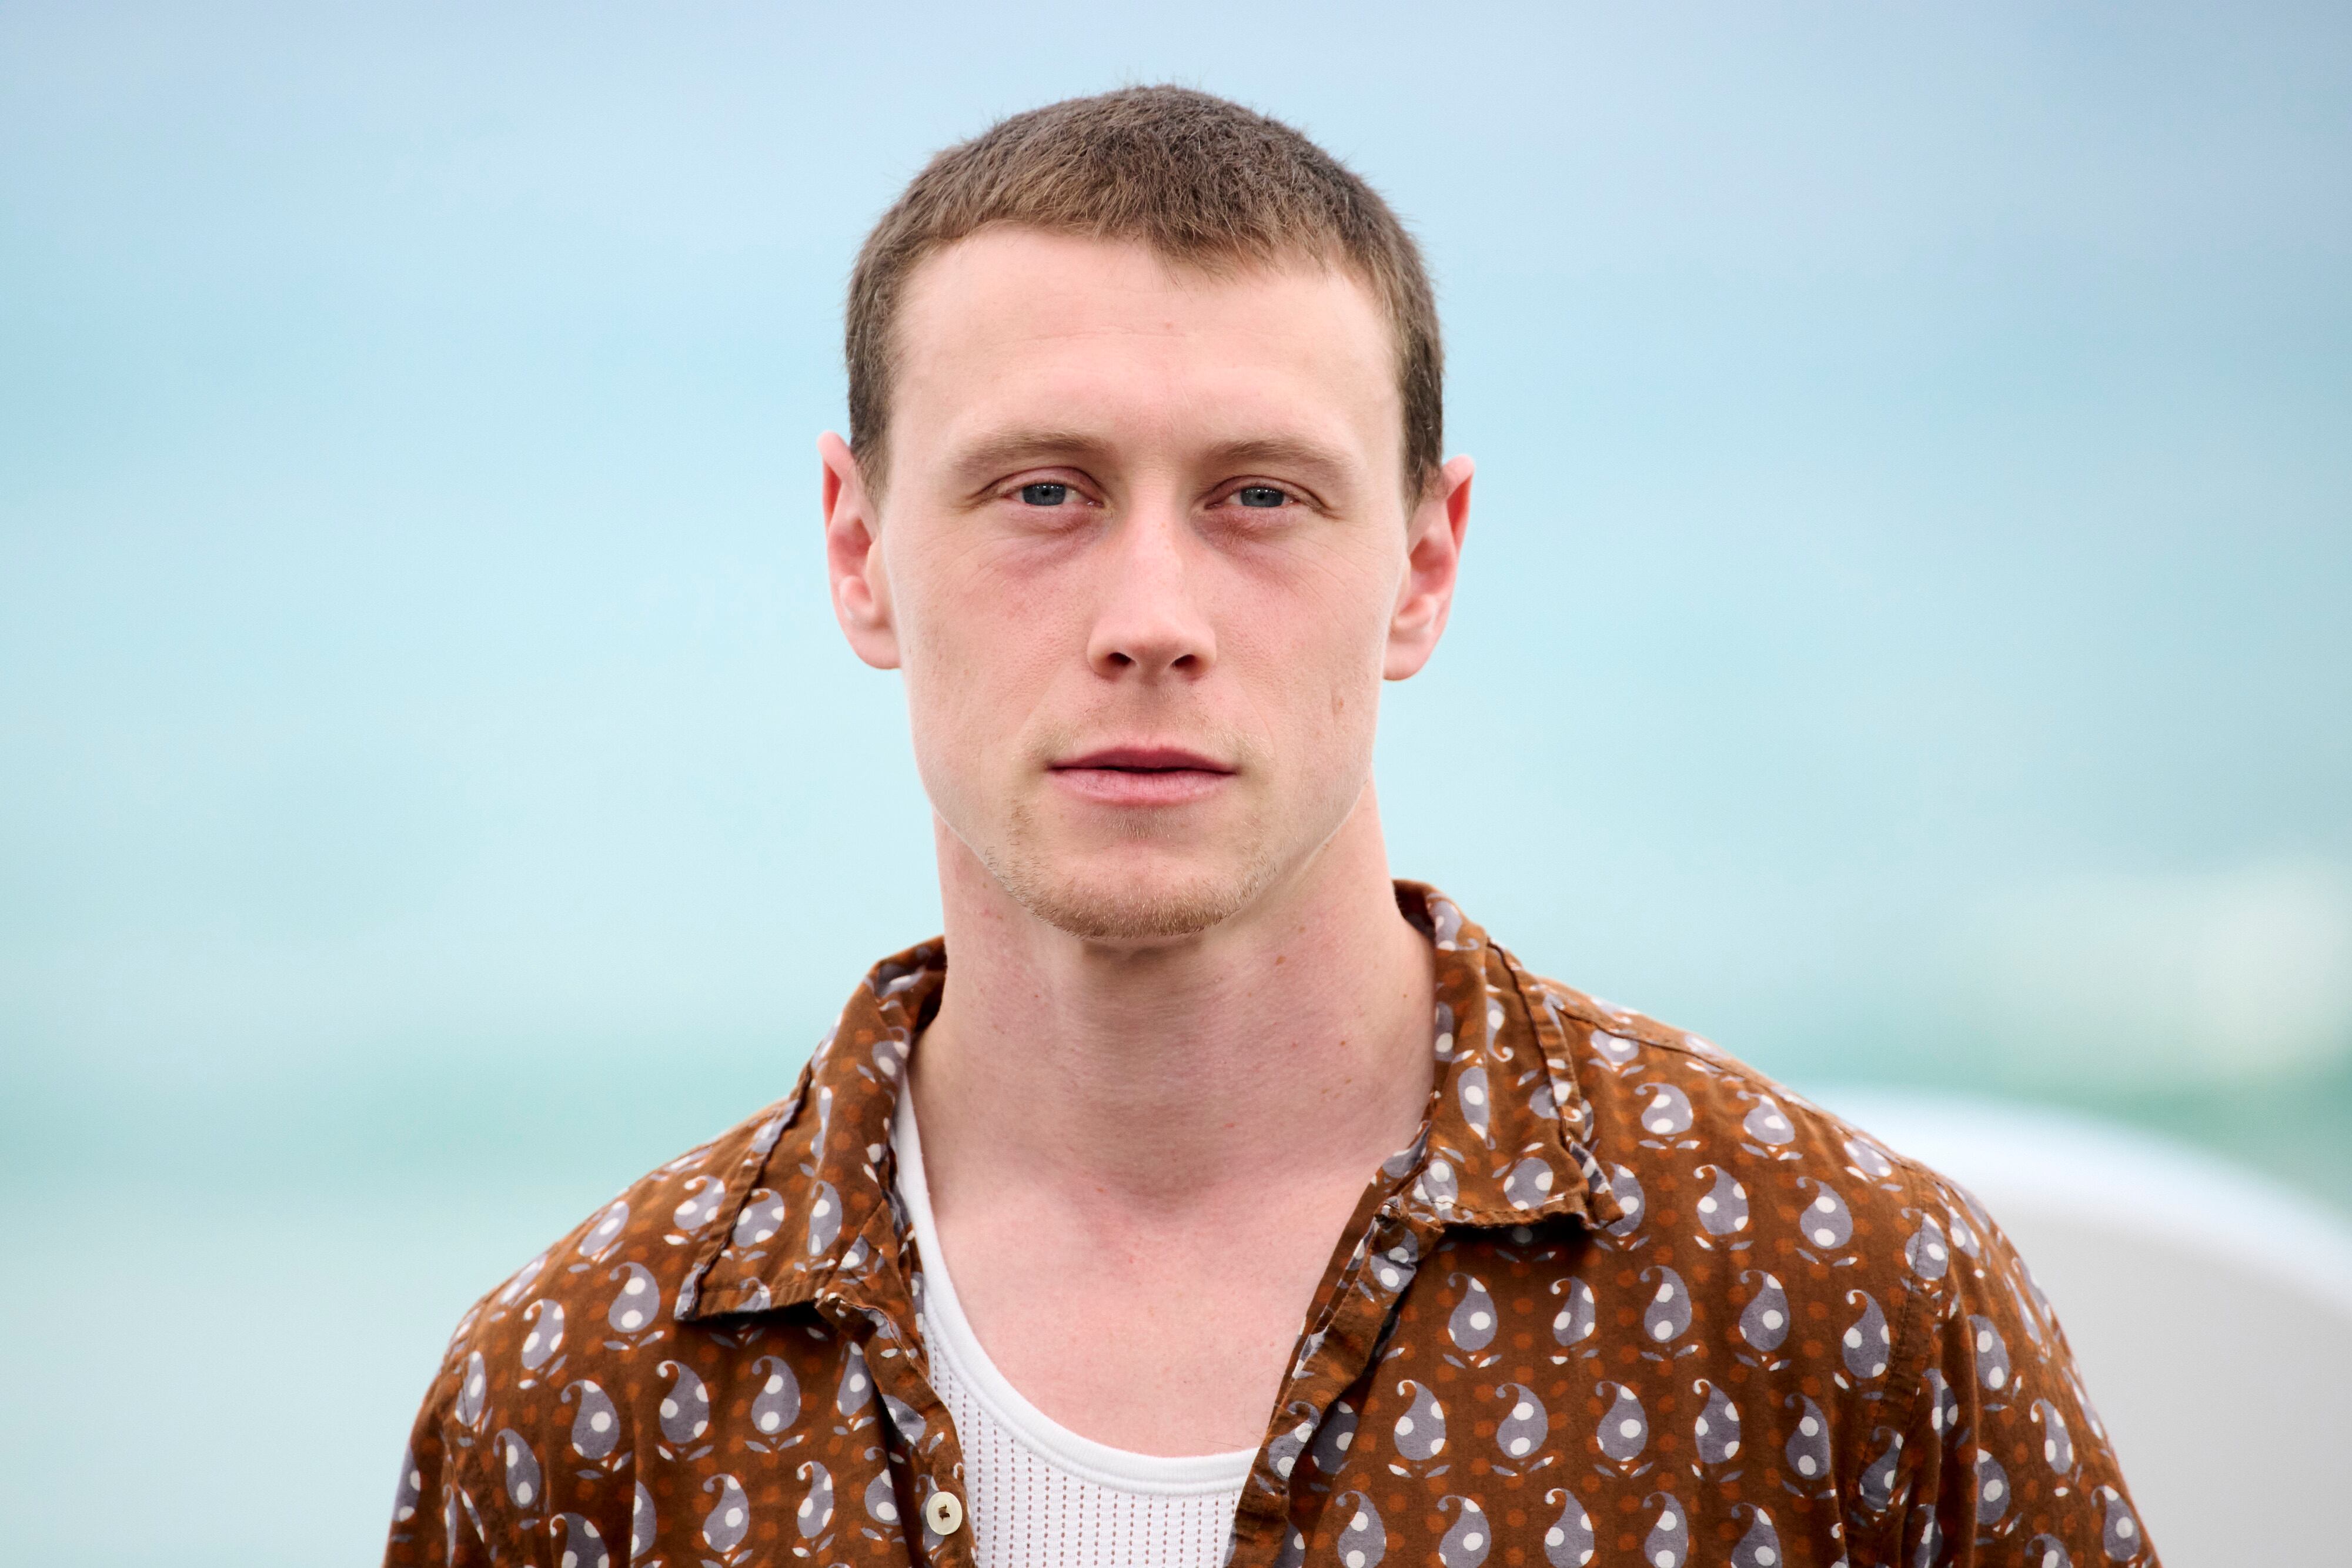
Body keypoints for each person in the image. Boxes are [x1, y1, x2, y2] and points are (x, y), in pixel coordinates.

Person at [384, 87, 2153, 1568]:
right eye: (1044, 491)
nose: (1152, 612)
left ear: (1425, 562)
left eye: (1260, 496)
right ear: (858, 547)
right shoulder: (582, 1408)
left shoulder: (1835, 1306)